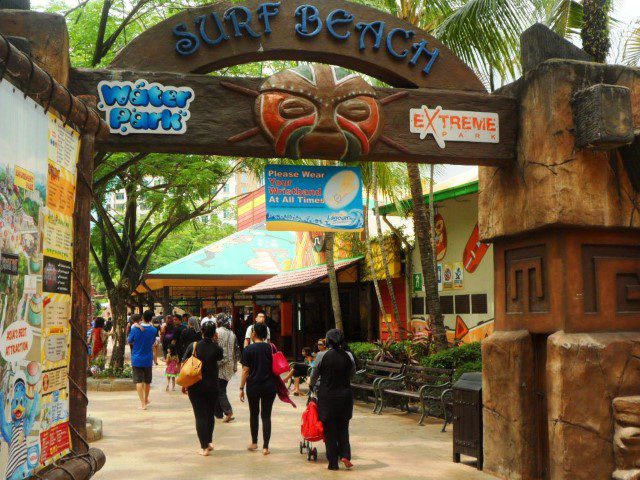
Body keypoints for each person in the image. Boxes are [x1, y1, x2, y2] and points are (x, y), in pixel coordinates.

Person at [309, 329, 356, 471]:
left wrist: (311, 386)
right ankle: (345, 455)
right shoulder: (348, 355)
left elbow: (314, 374)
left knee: (329, 431)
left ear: (327, 341)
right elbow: (352, 374)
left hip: (327, 396)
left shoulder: (322, 356)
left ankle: (333, 463)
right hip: (345, 396)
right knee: (343, 427)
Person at [182, 321, 224, 456]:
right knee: (210, 414)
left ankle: (203, 447)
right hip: (212, 386)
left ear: (201, 331)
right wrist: (215, 341)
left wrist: (184, 384)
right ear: (214, 333)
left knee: (200, 415)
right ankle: (209, 442)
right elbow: (219, 359)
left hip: (195, 386)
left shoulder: (193, 346)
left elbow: (184, 363)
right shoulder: (217, 348)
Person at [239, 322, 276, 455]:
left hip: (253, 386)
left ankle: (254, 443)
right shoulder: (271, 348)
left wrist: (241, 387)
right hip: (270, 386)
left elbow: (245, 370)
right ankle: (266, 447)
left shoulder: (248, 349)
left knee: (254, 414)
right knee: (266, 416)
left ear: (253, 334)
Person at [127, 311, 158, 410]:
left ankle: (142, 404)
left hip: (136, 358)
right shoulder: (153, 330)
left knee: (138, 381)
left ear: (142, 317)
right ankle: (146, 399)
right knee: (147, 381)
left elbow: (129, 340)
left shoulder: (135, 329)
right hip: (148, 358)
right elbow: (153, 341)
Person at [216, 313, 238, 423]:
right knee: (220, 388)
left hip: (219, 365)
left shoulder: (217, 332)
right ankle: (218, 412)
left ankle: (228, 411)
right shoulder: (232, 334)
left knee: (220, 390)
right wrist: (234, 366)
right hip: (229, 365)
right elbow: (235, 351)